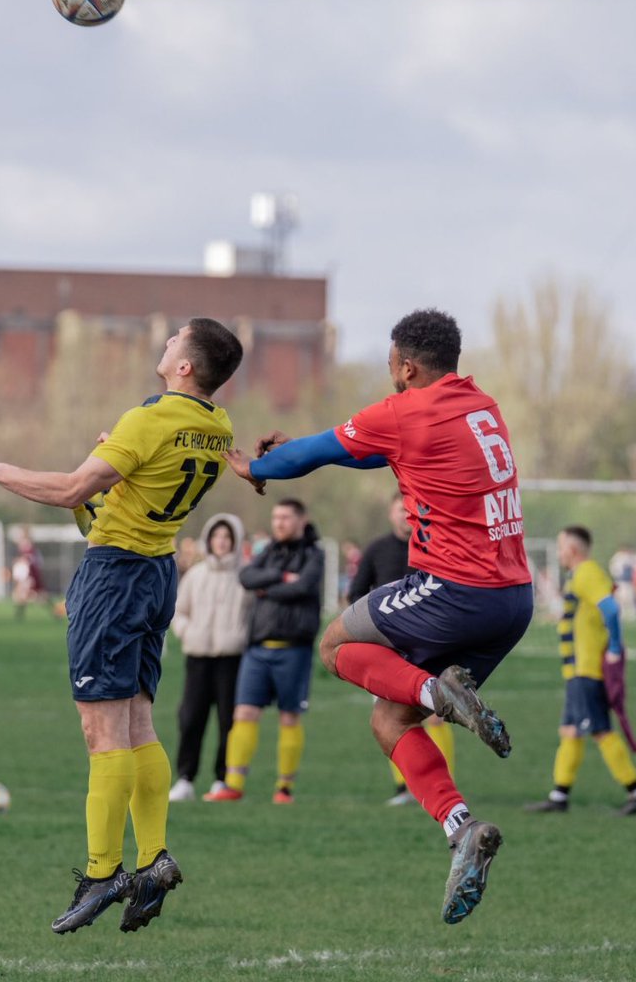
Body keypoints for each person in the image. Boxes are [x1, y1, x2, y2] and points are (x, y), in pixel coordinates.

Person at [224, 309, 533, 925]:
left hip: (453, 589)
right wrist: (308, 450)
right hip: (513, 598)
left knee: (336, 646)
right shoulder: (478, 405)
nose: (388, 373)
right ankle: (462, 828)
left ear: (406, 365)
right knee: (389, 721)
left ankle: (439, 694)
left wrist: (255, 468)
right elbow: (368, 452)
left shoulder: (403, 411)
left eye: (391, 363)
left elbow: (313, 453)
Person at [0, 317, 243, 934]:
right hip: (158, 573)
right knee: (136, 723)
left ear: (186, 364)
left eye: (173, 340)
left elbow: (75, 489)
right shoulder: (217, 427)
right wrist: (109, 468)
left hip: (115, 579)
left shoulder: (151, 418)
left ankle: (104, 871)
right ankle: (154, 858)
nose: (163, 343)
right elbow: (109, 501)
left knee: (101, 731)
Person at [205, 498, 324, 805]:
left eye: (285, 517)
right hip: (258, 648)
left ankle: (284, 788)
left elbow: (304, 588)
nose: (279, 523)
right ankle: (233, 783)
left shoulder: (315, 554)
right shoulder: (268, 551)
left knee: (288, 717)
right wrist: (282, 577)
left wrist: (268, 587)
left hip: (294, 649)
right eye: (275, 517)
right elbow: (246, 577)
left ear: (301, 520)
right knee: (243, 712)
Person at [525, 526, 636, 816]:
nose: (558, 551)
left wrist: (616, 647)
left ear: (573, 549)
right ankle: (559, 797)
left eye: (560, 546)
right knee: (569, 731)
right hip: (576, 672)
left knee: (601, 731)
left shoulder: (587, 573)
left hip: (588, 670)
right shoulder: (579, 575)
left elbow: (611, 609)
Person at [350, 492, 455, 806]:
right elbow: (356, 594)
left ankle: (442, 785)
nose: (406, 516)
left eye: (411, 511)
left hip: (427, 644)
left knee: (434, 715)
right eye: (400, 510)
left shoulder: (433, 547)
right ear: (390, 513)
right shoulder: (377, 550)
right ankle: (404, 788)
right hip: (386, 646)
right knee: (390, 715)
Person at [168, 513, 252, 801]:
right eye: (217, 536)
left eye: (227, 538)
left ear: (235, 541)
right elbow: (178, 611)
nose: (221, 542)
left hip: (232, 658)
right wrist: (187, 632)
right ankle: (185, 778)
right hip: (198, 655)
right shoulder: (196, 575)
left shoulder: (245, 576)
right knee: (191, 717)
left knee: (228, 720)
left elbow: (253, 615)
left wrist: (241, 636)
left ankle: (222, 778)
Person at [11, 528, 49, 618]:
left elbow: (28, 559)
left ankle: (55, 610)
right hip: (31, 574)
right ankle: (19, 615)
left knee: (33, 595)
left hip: (30, 575)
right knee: (24, 594)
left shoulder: (27, 546)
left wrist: (18, 561)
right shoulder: (29, 547)